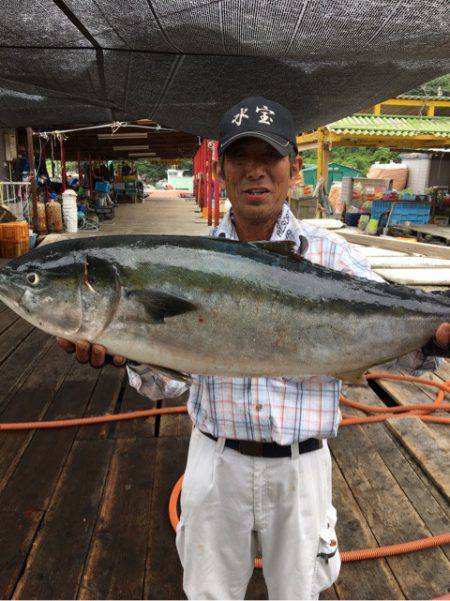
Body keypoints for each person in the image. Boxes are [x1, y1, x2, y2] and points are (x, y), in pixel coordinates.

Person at [58, 97, 450, 600]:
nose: (255, 172)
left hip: (301, 467)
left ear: (295, 167)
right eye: (241, 158)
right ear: (222, 169)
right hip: (216, 464)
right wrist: (130, 352)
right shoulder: (193, 259)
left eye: (270, 158)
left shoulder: (333, 256)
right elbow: (167, 381)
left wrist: (434, 340)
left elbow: (383, 341)